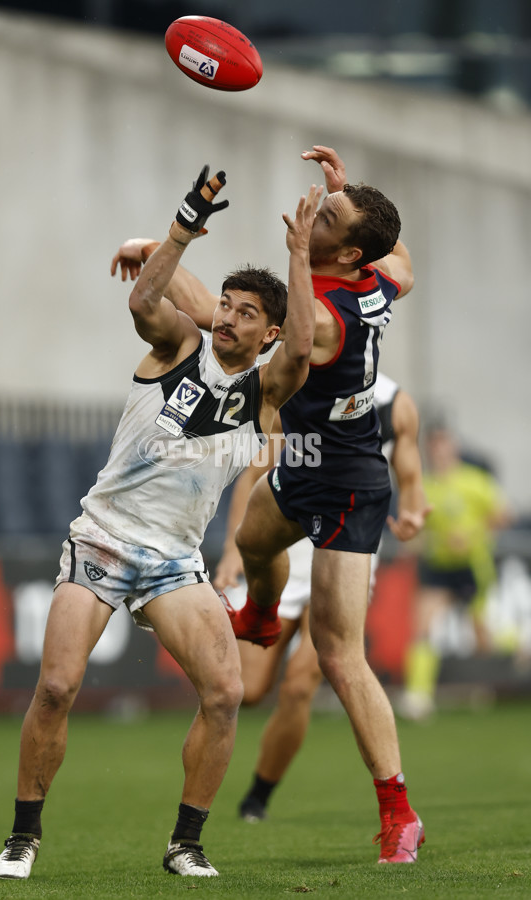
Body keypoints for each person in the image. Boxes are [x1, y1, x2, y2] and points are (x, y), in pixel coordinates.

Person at [0, 165, 323, 880]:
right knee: (56, 687)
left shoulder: (266, 393)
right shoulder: (178, 347)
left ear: (264, 332)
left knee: (228, 693)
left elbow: (303, 348)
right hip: (103, 539)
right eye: (224, 305)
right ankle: (23, 836)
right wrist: (181, 227)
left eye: (244, 313)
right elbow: (145, 297)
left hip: (174, 561)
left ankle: (186, 844)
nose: (229, 318)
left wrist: (298, 258)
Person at [116, 145, 423, 864]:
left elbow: (236, 321)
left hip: (350, 481)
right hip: (306, 461)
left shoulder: (324, 319)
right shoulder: (379, 276)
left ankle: (397, 810)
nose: (316, 206)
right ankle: (257, 613)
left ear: (344, 252)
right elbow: (402, 260)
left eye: (331, 213)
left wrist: (173, 251)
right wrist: (348, 194)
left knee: (342, 655)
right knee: (253, 542)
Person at [213, 372, 429, 823]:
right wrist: (236, 548)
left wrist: (411, 510)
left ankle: (258, 797)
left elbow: (410, 474)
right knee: (246, 690)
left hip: (348, 553)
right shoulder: (298, 381)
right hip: (287, 546)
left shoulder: (394, 404)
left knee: (301, 684)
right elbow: (257, 468)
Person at [399, 422, 512, 721]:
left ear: (454, 447)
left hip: (472, 568)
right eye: (434, 446)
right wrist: (416, 537)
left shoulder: (475, 481)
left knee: (484, 639)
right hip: (439, 569)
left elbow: (503, 516)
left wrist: (471, 535)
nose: (440, 451)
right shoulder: (425, 485)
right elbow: (415, 527)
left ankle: (520, 648)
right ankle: (418, 697)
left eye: (444, 444)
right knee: (423, 624)